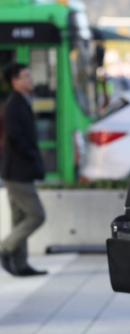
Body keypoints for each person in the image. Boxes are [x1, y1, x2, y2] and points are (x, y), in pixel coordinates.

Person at [0, 63, 47, 277]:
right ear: (15, 81)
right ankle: (4, 248)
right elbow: (15, 137)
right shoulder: (14, 105)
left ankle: (20, 264)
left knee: (19, 218)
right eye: (25, 76)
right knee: (36, 215)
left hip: (17, 171)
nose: (30, 78)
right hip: (17, 172)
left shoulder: (22, 102)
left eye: (30, 74)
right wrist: (32, 158)